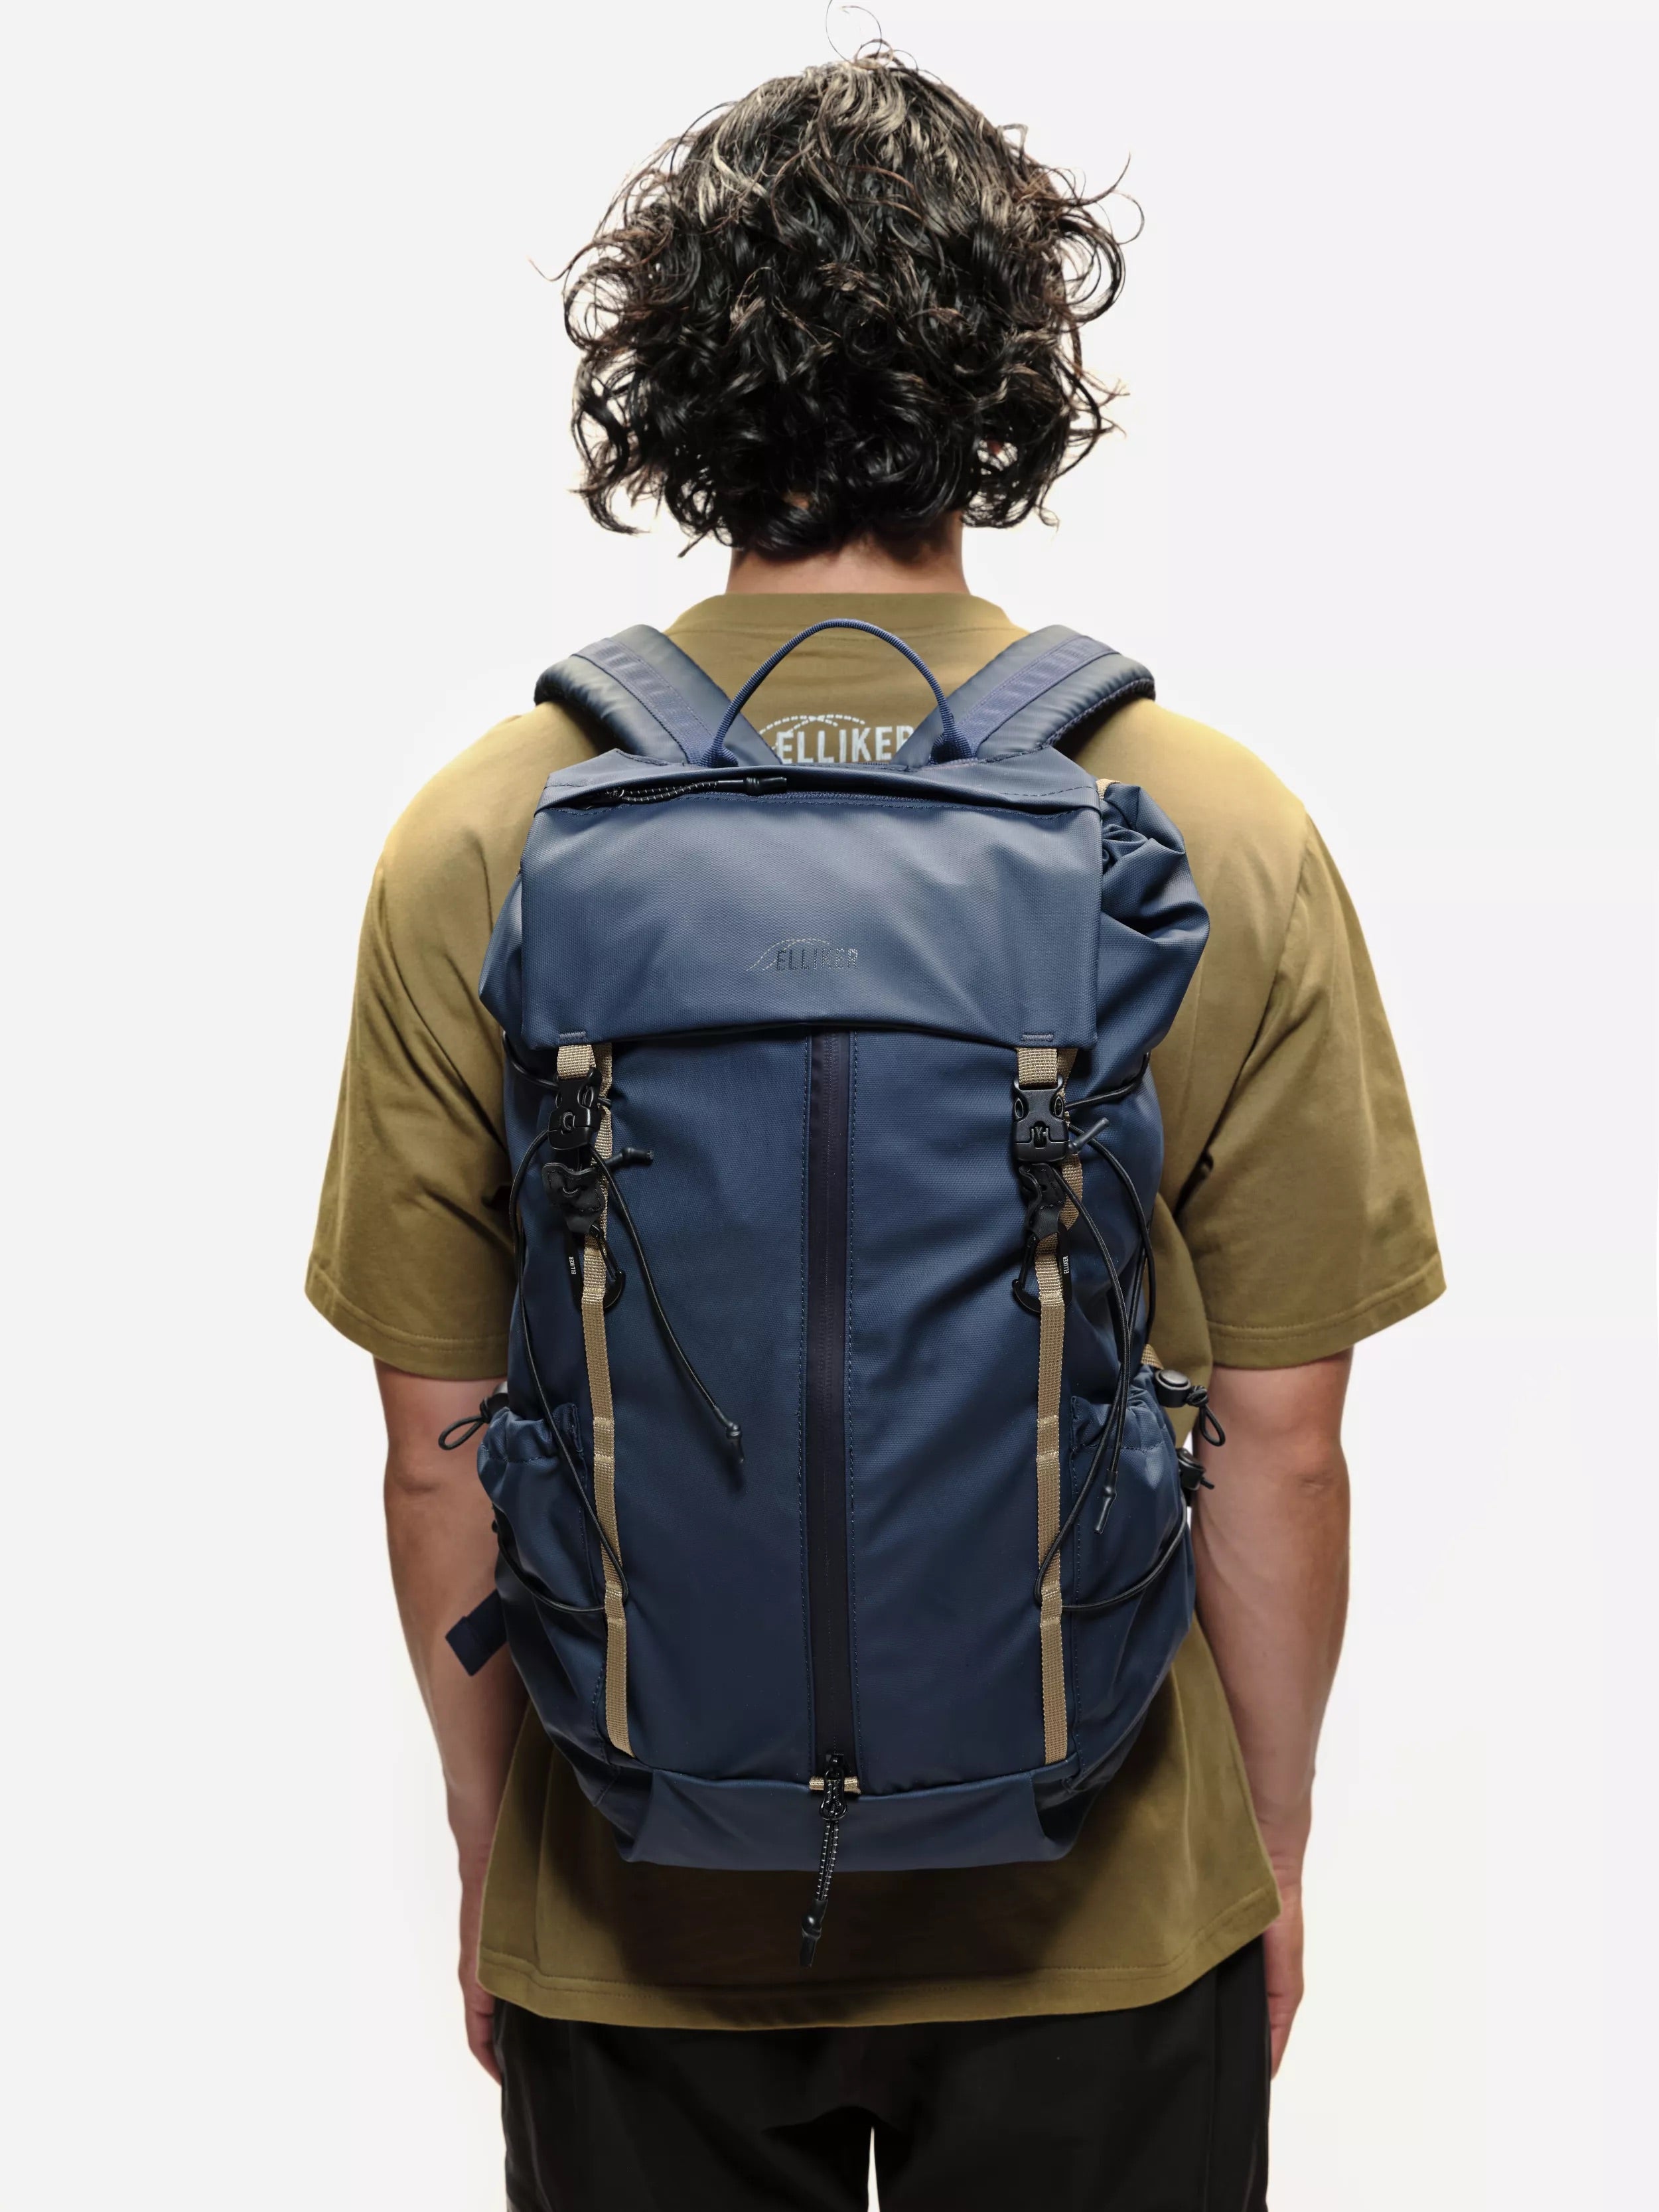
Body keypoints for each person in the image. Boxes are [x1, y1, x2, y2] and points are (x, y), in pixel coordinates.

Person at [307, 46, 1442, 2211]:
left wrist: (491, 1860)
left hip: (632, 1909)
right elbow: (1281, 1441)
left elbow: (437, 1443)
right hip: (1104, 1914)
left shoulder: (488, 832)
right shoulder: (1207, 823)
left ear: (662, 388)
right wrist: (1262, 1849)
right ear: (1009, 384)